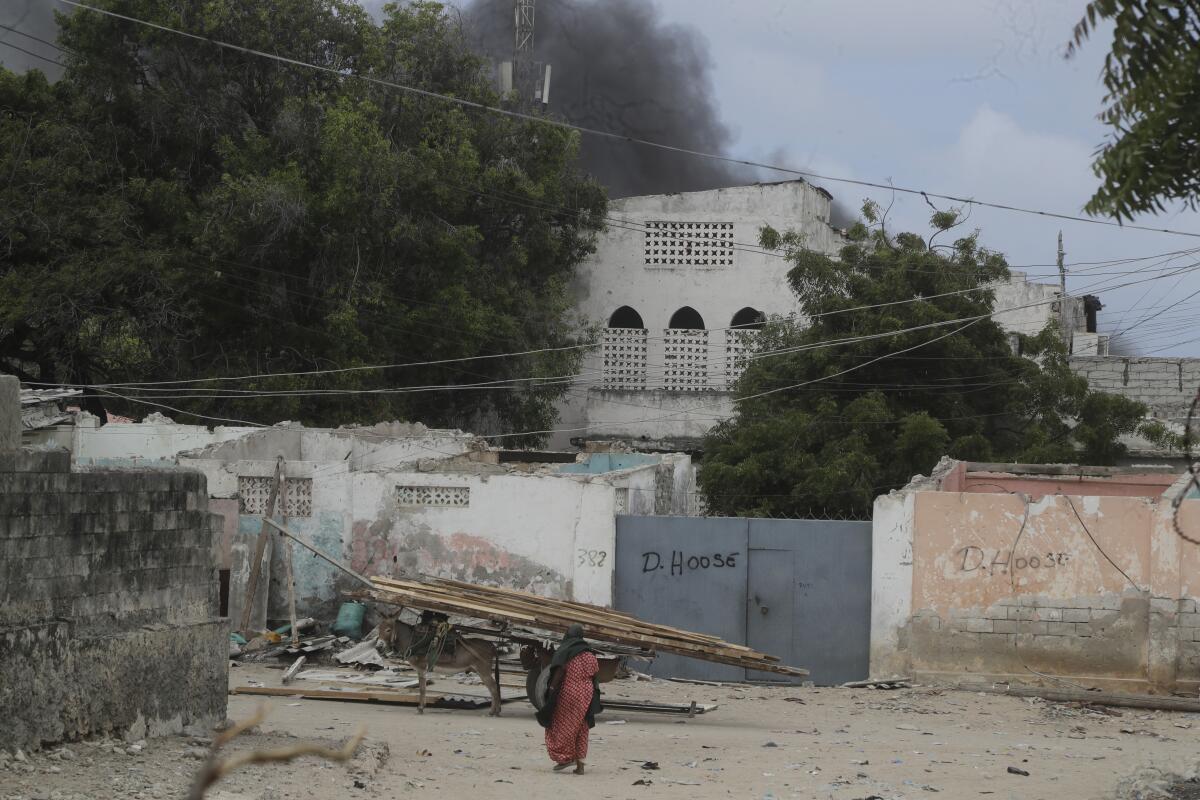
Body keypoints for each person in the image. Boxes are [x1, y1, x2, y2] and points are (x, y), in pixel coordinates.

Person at [540, 623, 600, 774]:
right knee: (581, 726)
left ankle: (565, 757)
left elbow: (559, 671)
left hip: (570, 691)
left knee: (561, 723)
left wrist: (551, 688)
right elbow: (594, 675)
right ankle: (580, 766)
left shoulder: (566, 650)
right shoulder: (589, 653)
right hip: (587, 692)